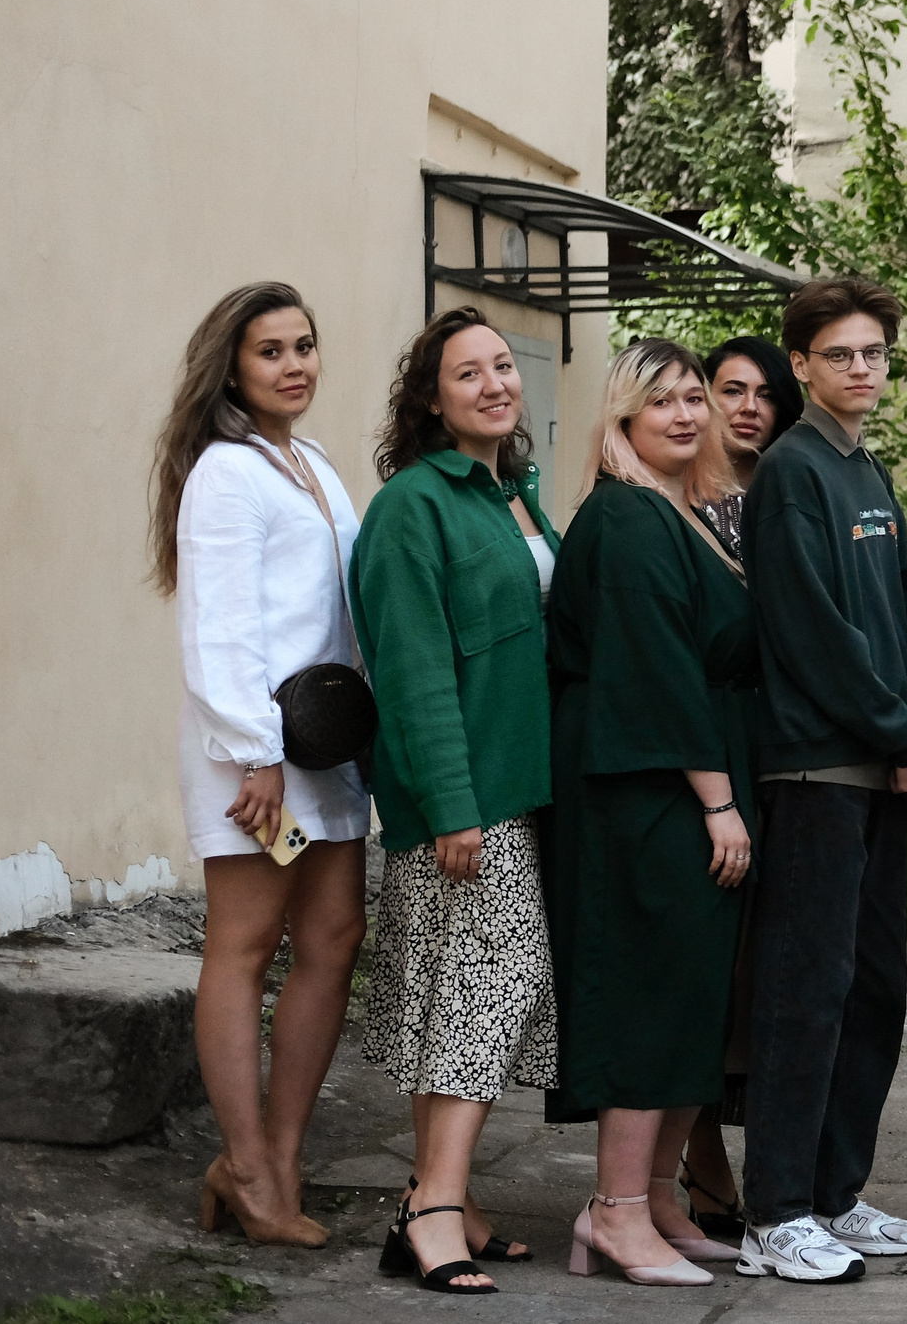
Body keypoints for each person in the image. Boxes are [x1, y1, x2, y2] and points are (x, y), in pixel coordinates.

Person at [736, 277, 907, 1283]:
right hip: (818, 768)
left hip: (881, 764)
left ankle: (836, 1193)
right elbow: (812, 633)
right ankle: (775, 1211)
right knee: (805, 991)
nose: (860, 369)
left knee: (873, 988)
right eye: (840, 355)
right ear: (802, 365)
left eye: (873, 353)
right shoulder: (790, 471)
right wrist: (896, 732)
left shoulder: (866, 468)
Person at [351, 309, 562, 1295]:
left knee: (476, 999)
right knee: (481, 992)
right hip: (468, 799)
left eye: (503, 366)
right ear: (430, 398)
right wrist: (449, 804)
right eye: (466, 372)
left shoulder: (510, 496)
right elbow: (413, 666)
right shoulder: (412, 505)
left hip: (522, 789)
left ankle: (449, 1199)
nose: (493, 384)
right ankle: (430, 1211)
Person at [153, 283, 368, 1249]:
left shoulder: (314, 463)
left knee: (334, 936)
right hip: (256, 759)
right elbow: (220, 626)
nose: (294, 364)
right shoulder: (226, 473)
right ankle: (243, 1162)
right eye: (272, 350)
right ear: (233, 367)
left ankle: (280, 1153)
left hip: (325, 751)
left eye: (305, 345)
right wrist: (256, 750)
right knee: (245, 945)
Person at [543, 341, 757, 1287]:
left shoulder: (683, 511)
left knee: (687, 994)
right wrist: (718, 802)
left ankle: (659, 1201)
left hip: (678, 784)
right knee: (646, 991)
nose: (684, 413)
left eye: (693, 397)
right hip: (646, 792)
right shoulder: (627, 520)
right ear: (622, 416)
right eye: (659, 399)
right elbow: (660, 674)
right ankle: (614, 1213)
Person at [679, 333, 801, 1233]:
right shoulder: (673, 504)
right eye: (731, 388)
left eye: (765, 390)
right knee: (709, 969)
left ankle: (763, 1162)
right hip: (708, 752)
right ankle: (700, 1161)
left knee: (767, 965)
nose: (748, 404)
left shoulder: (785, 491)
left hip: (783, 750)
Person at [696, 336, 802, 561]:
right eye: (733, 391)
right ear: (704, 397)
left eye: (766, 396)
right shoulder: (673, 493)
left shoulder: (799, 493)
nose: (750, 408)